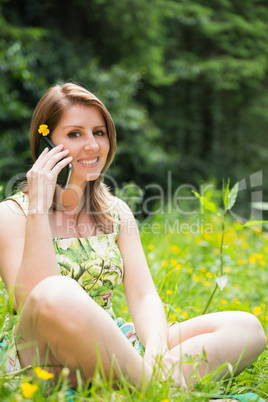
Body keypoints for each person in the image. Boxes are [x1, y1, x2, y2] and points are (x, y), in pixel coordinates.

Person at [0, 82, 266, 394]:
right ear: (46, 142)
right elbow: (33, 299)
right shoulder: (14, 214)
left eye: (99, 133)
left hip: (113, 346)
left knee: (247, 328)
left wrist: (154, 347)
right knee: (56, 291)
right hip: (45, 359)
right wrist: (39, 209)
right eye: (75, 134)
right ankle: (156, 391)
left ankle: (142, 383)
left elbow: (142, 296)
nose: (92, 145)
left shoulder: (116, 212)